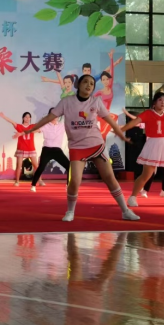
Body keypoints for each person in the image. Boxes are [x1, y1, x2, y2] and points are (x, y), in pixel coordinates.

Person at [21, 74, 138, 222]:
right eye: (85, 82)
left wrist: (122, 135)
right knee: (75, 181)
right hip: (77, 147)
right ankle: (70, 211)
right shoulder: (66, 102)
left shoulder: (96, 101)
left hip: (96, 145)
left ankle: (125, 211)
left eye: (91, 84)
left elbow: (110, 120)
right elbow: (49, 117)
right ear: (78, 85)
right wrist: (32, 129)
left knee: (110, 178)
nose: (89, 85)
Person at [124, 108, 164, 196]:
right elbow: (137, 121)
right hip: (152, 148)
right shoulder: (149, 121)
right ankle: (144, 190)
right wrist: (127, 115)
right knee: (151, 171)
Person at [24, 109, 70, 193]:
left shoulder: (62, 125)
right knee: (41, 167)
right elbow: (35, 130)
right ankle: (33, 185)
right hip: (47, 150)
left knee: (69, 166)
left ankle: (68, 185)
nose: (55, 116)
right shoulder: (45, 125)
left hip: (57, 150)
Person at [0, 111, 40, 187]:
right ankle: (17, 181)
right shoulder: (19, 126)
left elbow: (40, 128)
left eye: (29, 117)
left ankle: (40, 180)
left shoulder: (32, 126)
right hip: (21, 148)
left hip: (31, 148)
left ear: (30, 118)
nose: (27, 118)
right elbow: (12, 122)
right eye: (26, 117)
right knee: (18, 165)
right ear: (23, 118)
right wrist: (4, 117)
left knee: (36, 166)